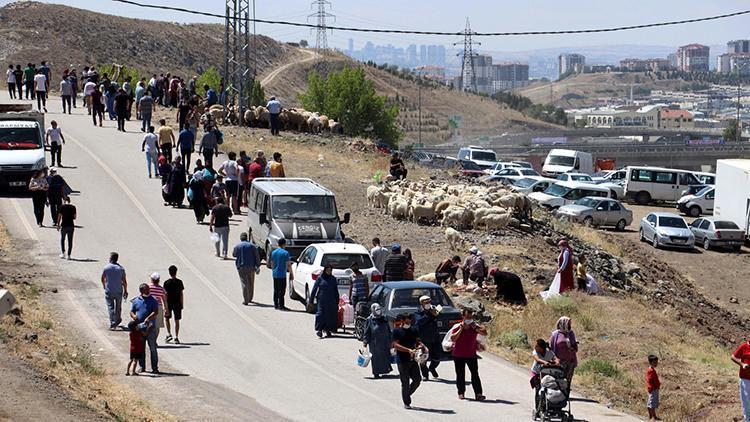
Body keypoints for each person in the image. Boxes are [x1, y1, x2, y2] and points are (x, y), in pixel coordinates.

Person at [450, 308, 487, 401]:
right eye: (467, 317)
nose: (469, 318)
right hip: (458, 354)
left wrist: (475, 327)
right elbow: (453, 339)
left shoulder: (475, 326)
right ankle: (461, 392)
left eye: (470, 317)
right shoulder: (457, 326)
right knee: (460, 374)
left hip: (471, 354)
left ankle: (478, 393)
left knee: (475, 374)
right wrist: (461, 329)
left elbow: (484, 333)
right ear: (463, 317)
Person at [392, 313, 424, 409]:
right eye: (406, 321)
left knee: (417, 380)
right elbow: (395, 345)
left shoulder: (414, 330)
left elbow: (418, 341)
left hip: (413, 360)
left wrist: (421, 346)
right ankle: (407, 402)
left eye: (409, 321)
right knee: (405, 382)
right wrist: (408, 350)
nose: (408, 322)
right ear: (402, 321)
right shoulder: (397, 331)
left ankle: (407, 394)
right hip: (402, 360)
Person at [130, 283, 159, 374]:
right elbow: (132, 311)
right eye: (146, 289)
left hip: (150, 328)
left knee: (153, 349)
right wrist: (134, 316)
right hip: (140, 329)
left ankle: (155, 368)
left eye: (148, 289)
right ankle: (142, 367)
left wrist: (148, 318)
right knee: (141, 349)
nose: (148, 291)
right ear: (141, 291)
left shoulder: (153, 299)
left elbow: (156, 311)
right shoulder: (136, 301)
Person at [363, 303, 393, 379]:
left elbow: (389, 329)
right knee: (376, 358)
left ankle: (385, 370)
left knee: (385, 356)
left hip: (385, 341)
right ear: (373, 310)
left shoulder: (384, 318)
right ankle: (376, 373)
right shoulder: (369, 319)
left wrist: (392, 340)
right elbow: (367, 332)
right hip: (375, 343)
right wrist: (365, 342)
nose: (378, 311)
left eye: (379, 309)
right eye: (376, 310)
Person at [414, 295, 441, 381]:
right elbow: (420, 322)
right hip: (424, 338)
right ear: (421, 303)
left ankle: (432, 368)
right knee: (423, 358)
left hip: (435, 338)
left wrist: (436, 313)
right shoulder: (418, 313)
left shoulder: (433, 309)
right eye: (426, 302)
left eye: (429, 302)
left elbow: (438, 317)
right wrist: (429, 314)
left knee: (437, 357)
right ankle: (425, 374)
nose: (428, 304)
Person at [549, 316, 578, 392]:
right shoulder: (555, 335)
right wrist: (554, 359)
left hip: (570, 361)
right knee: (559, 379)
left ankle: (566, 394)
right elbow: (551, 348)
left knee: (568, 379)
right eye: (568, 323)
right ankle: (558, 395)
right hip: (559, 362)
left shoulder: (571, 333)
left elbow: (575, 347)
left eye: (569, 323)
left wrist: (572, 348)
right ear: (563, 324)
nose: (569, 325)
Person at [309, 264, 339, 338]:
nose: (329, 272)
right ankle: (319, 330)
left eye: (330, 270)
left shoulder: (333, 279)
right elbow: (314, 290)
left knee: (329, 315)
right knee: (320, 314)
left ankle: (328, 330)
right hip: (321, 300)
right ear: (325, 270)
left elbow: (336, 291)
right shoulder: (320, 278)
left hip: (331, 300)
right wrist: (311, 301)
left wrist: (337, 301)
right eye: (328, 270)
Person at [101, 252, 128, 330]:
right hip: (119, 291)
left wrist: (104, 286)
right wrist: (126, 291)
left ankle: (113, 323)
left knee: (110, 307)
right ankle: (118, 319)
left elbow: (103, 278)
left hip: (109, 290)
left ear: (110, 258)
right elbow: (124, 281)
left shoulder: (106, 268)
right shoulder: (121, 269)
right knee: (118, 307)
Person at [233, 232, 261, 305]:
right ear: (247, 238)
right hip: (251, 267)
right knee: (251, 282)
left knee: (244, 283)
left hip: (241, 267)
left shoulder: (237, 246)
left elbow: (234, 254)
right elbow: (257, 256)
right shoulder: (252, 246)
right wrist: (258, 266)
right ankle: (250, 298)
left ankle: (246, 300)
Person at [268, 239, 293, 310]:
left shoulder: (273, 252)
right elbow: (288, 264)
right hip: (282, 274)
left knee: (276, 289)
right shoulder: (285, 253)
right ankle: (281, 305)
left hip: (275, 274)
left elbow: (272, 263)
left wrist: (274, 270)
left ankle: (276, 304)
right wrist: (291, 273)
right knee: (282, 290)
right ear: (283, 244)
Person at [163, 265, 184, 344]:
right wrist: (182, 303)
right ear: (176, 272)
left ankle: (169, 334)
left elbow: (165, 295)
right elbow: (181, 294)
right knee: (177, 320)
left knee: (167, 319)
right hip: (177, 303)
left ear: (169, 273)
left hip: (169, 303)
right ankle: (176, 336)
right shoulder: (179, 282)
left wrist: (165, 306)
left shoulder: (166, 283)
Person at [148, 272, 167, 341]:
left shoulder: (148, 287)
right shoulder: (161, 289)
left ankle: (150, 339)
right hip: (159, 307)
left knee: (148, 323)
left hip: (149, 307)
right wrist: (166, 309)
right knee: (157, 326)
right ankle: (154, 340)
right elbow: (164, 300)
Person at [646, 355, 661, 421]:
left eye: (656, 362)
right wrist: (655, 386)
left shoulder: (651, 370)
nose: (656, 364)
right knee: (652, 404)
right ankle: (653, 416)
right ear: (651, 362)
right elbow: (651, 380)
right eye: (654, 362)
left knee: (650, 403)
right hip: (653, 389)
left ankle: (651, 416)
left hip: (652, 388)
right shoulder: (651, 371)